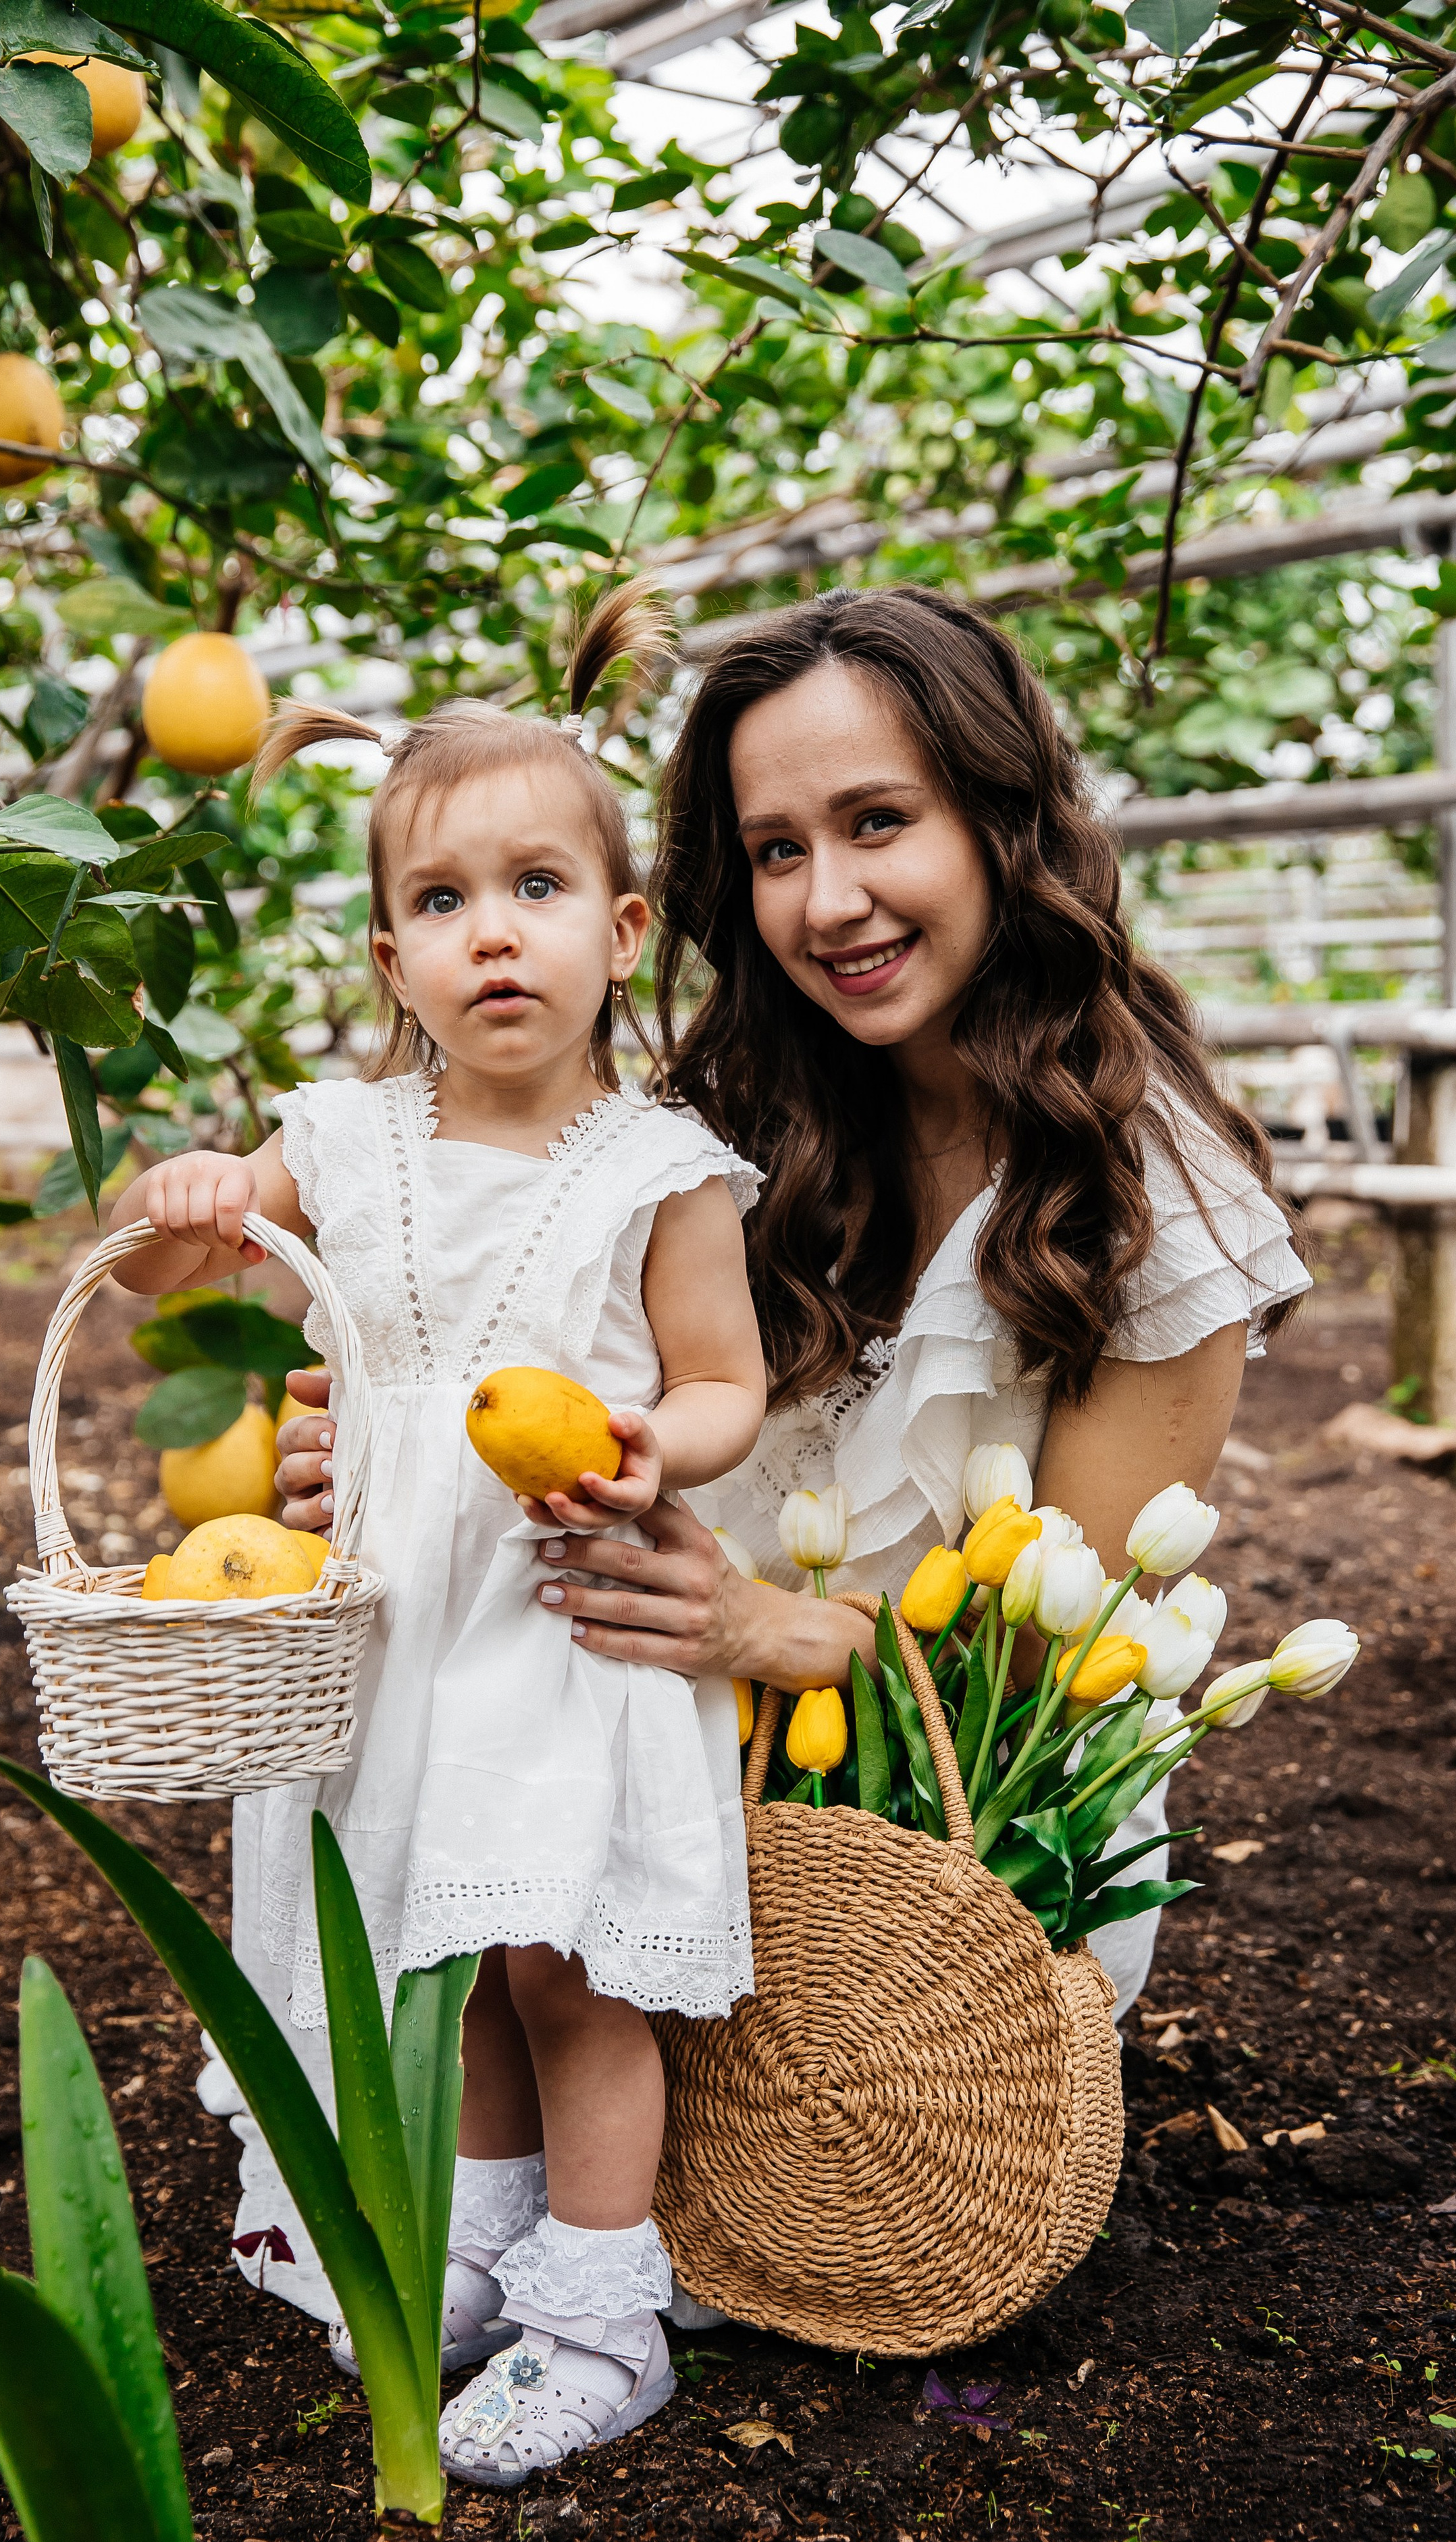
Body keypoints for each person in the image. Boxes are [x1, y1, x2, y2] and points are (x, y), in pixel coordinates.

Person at [280, 586, 1310, 2029]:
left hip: (938, 1874)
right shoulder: (717, 1134)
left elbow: (1051, 1665)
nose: (826, 902)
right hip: (630, 1766)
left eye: (878, 822)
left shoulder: (1151, 1212)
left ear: (1001, 822)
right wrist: (393, 1456)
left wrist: (766, 1634)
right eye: (777, 850)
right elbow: (534, 1371)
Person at [110, 579, 767, 2489]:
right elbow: (159, 1274)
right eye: (445, 899)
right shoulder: (338, 1140)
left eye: (538, 888)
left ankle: (602, 2313)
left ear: (620, 932)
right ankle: (471, 2248)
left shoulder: (659, 1169)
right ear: (392, 957)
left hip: (562, 1616)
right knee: (442, 1947)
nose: (495, 932)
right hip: (398, 1631)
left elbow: (723, 1383)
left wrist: (654, 1445)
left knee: (565, 1965)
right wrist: (190, 1197)